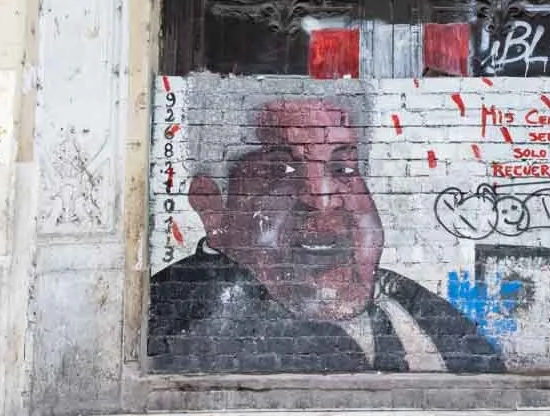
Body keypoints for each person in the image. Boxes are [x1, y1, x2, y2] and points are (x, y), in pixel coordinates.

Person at [147, 86, 504, 374]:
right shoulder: (175, 319)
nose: (322, 200)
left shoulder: (415, 308)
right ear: (212, 207)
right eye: (280, 172)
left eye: (343, 169)